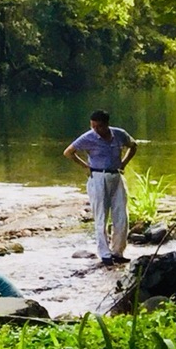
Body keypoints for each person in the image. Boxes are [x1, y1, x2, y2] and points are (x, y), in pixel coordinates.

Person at [63, 109, 138, 263]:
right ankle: (104, 254)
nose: (96, 129)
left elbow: (133, 145)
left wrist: (124, 163)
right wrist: (85, 166)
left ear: (107, 125)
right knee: (101, 216)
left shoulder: (119, 134)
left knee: (121, 215)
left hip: (116, 176)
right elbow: (68, 152)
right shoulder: (88, 137)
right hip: (98, 176)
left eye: (99, 126)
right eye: (93, 126)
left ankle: (118, 252)